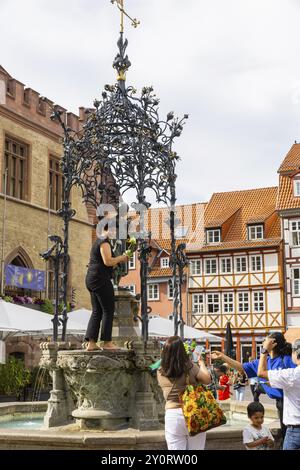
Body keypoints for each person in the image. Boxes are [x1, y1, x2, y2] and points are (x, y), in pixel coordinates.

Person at [211, 332, 295, 440]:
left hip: (291, 402)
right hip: (281, 404)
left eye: (266, 340)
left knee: (292, 435)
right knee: (286, 435)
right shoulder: (263, 362)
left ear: (273, 344)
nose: (263, 342)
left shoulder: (287, 360)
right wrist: (223, 357)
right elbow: (241, 367)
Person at [157, 336, 211, 450]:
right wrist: (201, 364)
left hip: (173, 415)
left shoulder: (160, 370)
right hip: (194, 413)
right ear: (182, 350)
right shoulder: (189, 366)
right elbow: (207, 380)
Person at [84, 217, 129, 351]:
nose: (116, 233)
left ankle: (91, 343)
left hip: (92, 279)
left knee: (97, 311)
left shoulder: (97, 241)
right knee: (108, 310)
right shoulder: (104, 242)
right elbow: (108, 261)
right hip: (100, 279)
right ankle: (107, 342)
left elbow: (105, 264)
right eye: (115, 230)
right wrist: (122, 258)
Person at [258, 338, 300, 450]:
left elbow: (261, 373)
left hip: (296, 430)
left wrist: (264, 351)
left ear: (296, 353)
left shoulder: (292, 375)